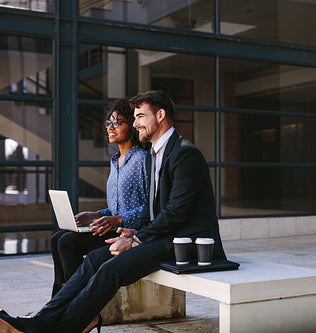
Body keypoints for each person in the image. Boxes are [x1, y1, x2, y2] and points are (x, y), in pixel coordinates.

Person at [0, 90, 226, 333]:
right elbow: (155, 210)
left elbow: (176, 212)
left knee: (109, 270)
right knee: (95, 260)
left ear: (160, 115)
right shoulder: (154, 154)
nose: (136, 122)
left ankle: (59, 329)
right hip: (163, 237)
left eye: (140, 116)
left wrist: (137, 239)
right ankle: (40, 321)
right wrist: (130, 230)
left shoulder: (185, 154)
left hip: (188, 243)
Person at [50, 98, 149, 297]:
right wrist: (95, 215)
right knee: (56, 239)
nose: (110, 128)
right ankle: (58, 299)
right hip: (113, 226)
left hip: (131, 232)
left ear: (132, 126)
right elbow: (117, 208)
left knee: (68, 242)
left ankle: (75, 300)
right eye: (108, 123)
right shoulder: (115, 162)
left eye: (117, 122)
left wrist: (117, 219)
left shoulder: (142, 159)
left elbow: (151, 205)